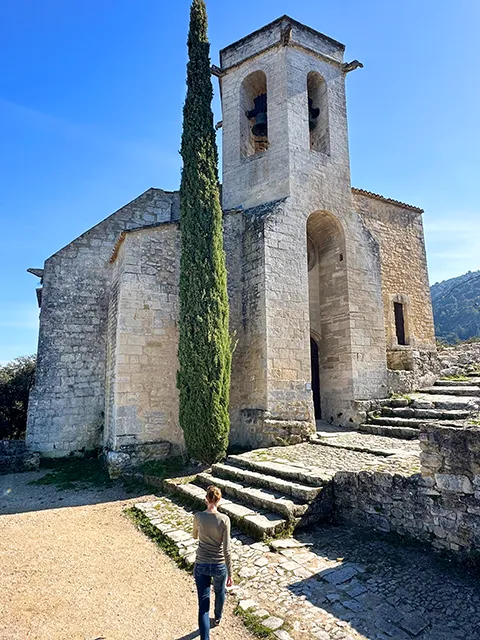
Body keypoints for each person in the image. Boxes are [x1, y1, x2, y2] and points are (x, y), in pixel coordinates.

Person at [192, 485, 233, 640]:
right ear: (219, 500)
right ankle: (218, 616)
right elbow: (227, 549)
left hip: (201, 563)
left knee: (203, 607)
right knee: (220, 591)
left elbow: (195, 536)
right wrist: (230, 572)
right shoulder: (225, 520)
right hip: (219, 564)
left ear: (206, 499)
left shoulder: (198, 516)